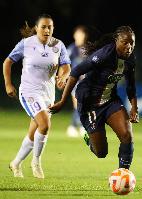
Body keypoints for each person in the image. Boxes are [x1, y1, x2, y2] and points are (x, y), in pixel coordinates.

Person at [49, 26, 139, 170]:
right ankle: (88, 137)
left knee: (127, 136)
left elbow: (131, 86)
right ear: (116, 41)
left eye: (132, 43)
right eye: (125, 42)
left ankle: (124, 174)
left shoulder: (130, 59)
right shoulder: (104, 55)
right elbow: (76, 72)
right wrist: (62, 101)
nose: (129, 47)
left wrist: (134, 107)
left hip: (110, 101)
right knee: (101, 153)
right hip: (90, 104)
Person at [3, 14, 71, 178]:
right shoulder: (26, 44)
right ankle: (36, 162)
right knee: (45, 124)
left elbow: (66, 67)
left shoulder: (58, 45)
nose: (47, 30)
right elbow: (8, 62)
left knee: (35, 132)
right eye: (44, 27)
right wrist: (8, 83)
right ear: (36, 28)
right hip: (29, 92)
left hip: (48, 95)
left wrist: (62, 77)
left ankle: (16, 163)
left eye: (50, 27)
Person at [66, 25, 89, 137]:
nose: (79, 36)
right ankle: (76, 127)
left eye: (81, 34)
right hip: (74, 82)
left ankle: (75, 127)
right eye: (78, 34)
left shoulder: (87, 49)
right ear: (74, 35)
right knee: (78, 104)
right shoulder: (71, 49)